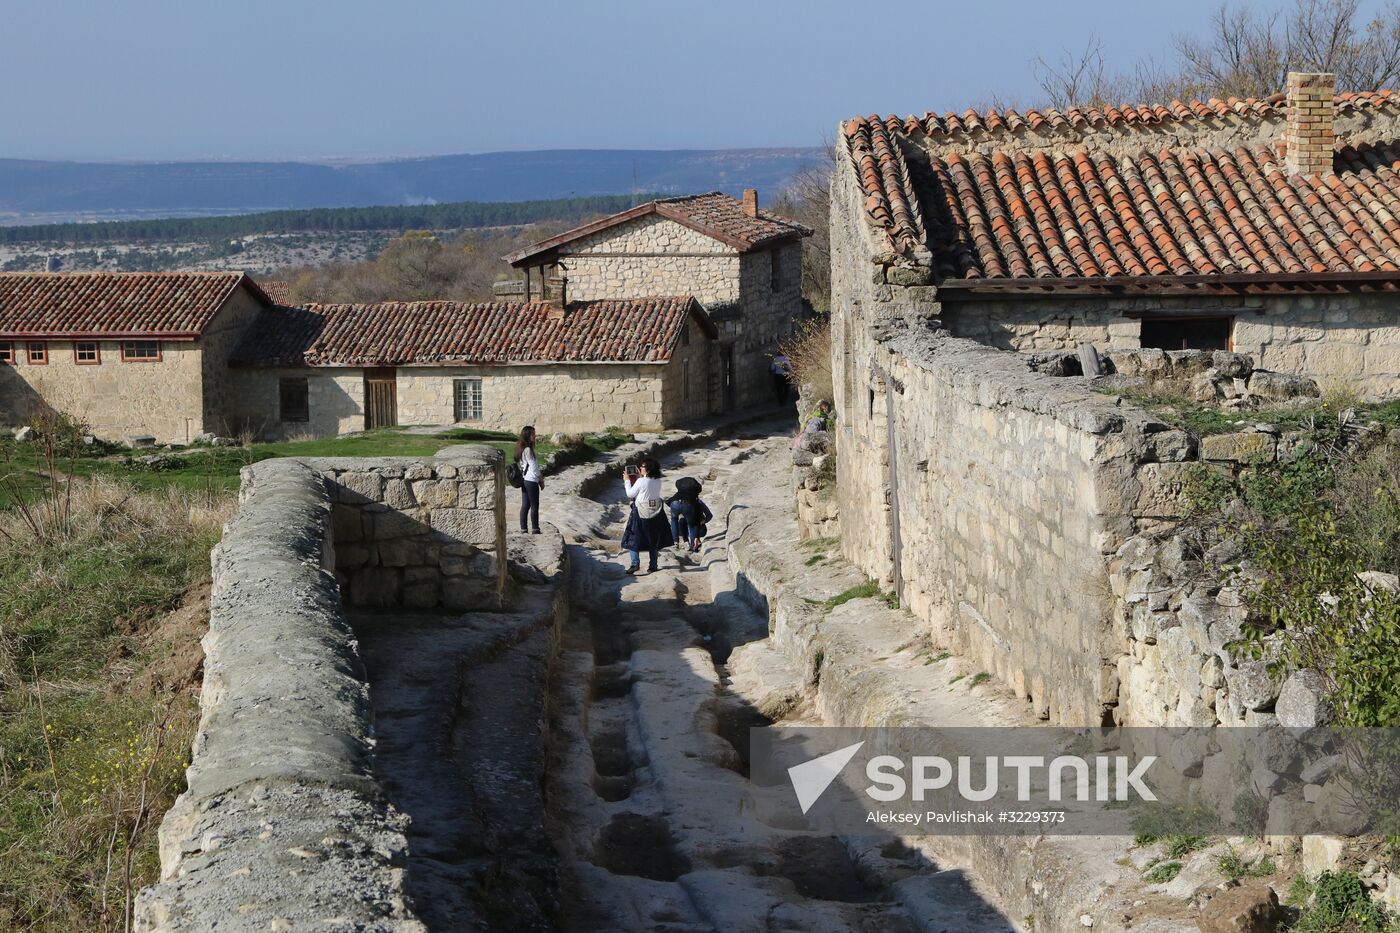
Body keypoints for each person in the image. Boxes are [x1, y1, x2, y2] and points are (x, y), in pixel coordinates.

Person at [620, 457, 673, 574]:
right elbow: (647, 487)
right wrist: (640, 477)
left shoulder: (641, 481)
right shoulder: (658, 481)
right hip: (656, 512)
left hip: (640, 512)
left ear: (648, 469)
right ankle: (653, 565)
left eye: (642, 467)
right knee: (653, 539)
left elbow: (630, 494)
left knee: (632, 538)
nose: (640, 468)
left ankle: (635, 564)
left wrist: (627, 480)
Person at [667, 476, 713, 554]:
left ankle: (675, 542)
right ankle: (693, 545)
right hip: (687, 506)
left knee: (674, 520)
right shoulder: (695, 501)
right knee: (692, 525)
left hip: (674, 503)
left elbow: (668, 502)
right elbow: (700, 519)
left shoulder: (678, 493)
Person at [515, 425, 542, 534]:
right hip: (531, 480)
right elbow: (534, 468)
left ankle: (523, 528)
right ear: (528, 436)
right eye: (533, 435)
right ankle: (535, 528)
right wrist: (541, 480)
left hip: (525, 479)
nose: (535, 437)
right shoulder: (528, 450)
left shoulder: (521, 449)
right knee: (534, 505)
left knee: (525, 504)